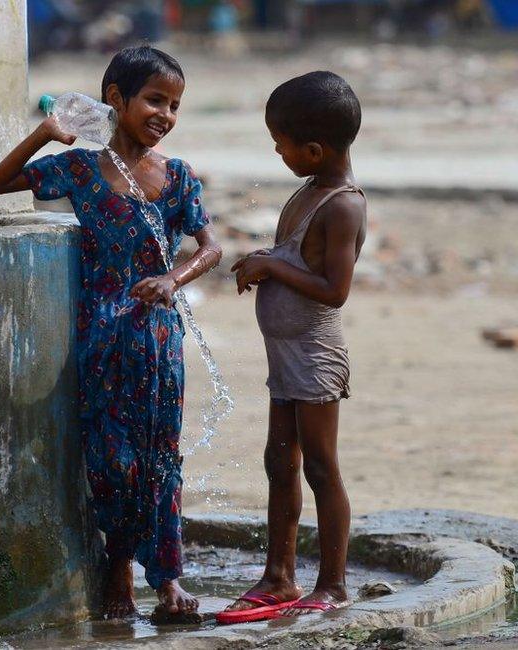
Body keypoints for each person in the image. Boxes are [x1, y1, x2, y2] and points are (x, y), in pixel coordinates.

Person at [0, 46, 221, 619]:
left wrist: (172, 277)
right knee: (111, 460)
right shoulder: (81, 169)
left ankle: (167, 582)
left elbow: (210, 248)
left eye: (174, 105)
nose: (165, 114)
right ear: (116, 98)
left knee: (162, 456)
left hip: (159, 342)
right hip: (101, 340)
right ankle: (116, 573)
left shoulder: (177, 176)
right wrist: (46, 132)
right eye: (154, 100)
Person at [222, 71, 366, 622]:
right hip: (284, 358)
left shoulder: (342, 207)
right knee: (279, 464)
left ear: (313, 149)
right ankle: (278, 577)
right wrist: (268, 259)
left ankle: (332, 584)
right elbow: (298, 261)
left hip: (314, 354)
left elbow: (335, 291)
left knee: (321, 468)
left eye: (280, 143)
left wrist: (270, 264)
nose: (276, 151)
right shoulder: (308, 192)